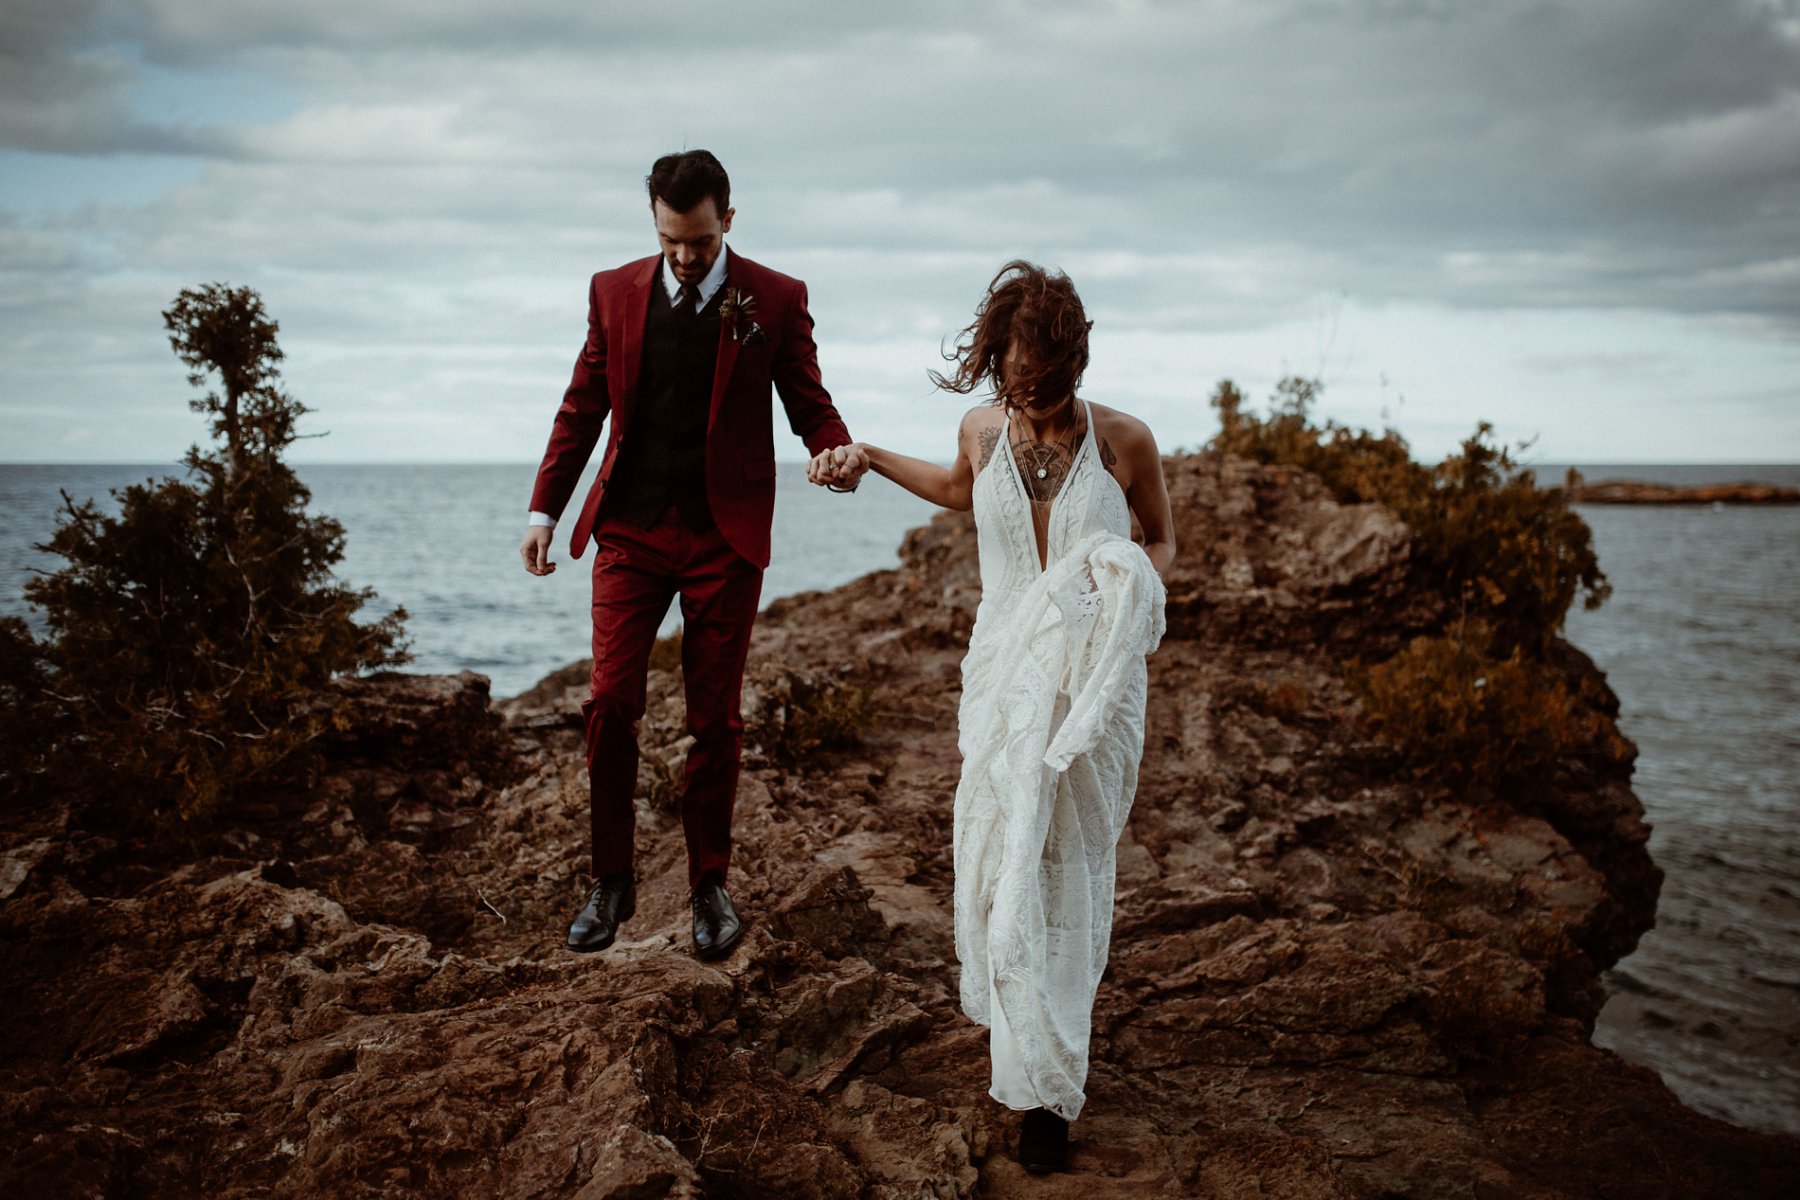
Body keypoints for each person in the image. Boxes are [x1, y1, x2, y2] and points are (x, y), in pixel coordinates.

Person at [813, 261, 1173, 1173]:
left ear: (1074, 360)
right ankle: (1026, 1069)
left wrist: (1129, 586)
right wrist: (867, 454)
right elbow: (948, 486)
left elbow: (1160, 538)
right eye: (1016, 379)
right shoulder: (981, 428)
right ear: (997, 363)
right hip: (1003, 672)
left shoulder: (1126, 440)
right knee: (1006, 860)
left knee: (1074, 869)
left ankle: (1051, 1091)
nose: (1031, 397)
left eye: (1046, 382)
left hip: (1094, 681)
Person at [521, 150, 857, 961]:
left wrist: (836, 449)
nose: (683, 256)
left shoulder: (774, 298)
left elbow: (807, 398)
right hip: (630, 534)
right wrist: (543, 510)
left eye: (699, 241)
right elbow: (582, 407)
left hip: (723, 537)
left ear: (728, 222)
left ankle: (709, 885)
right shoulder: (613, 292)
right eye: (670, 240)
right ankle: (611, 881)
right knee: (608, 702)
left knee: (716, 720)